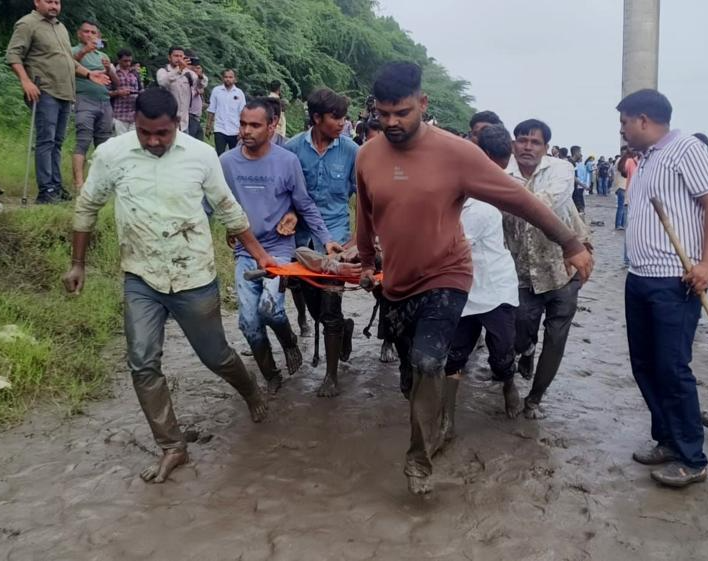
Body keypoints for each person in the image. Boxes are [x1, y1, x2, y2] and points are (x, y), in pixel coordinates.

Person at [355, 61, 593, 496]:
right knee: (412, 376)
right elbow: (366, 213)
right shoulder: (368, 155)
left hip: (447, 275)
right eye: (383, 114)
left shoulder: (457, 154)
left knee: (431, 362)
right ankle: (428, 421)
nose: (391, 122)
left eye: (402, 112)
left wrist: (570, 243)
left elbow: (521, 202)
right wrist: (368, 261)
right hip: (397, 281)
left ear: (423, 105)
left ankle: (418, 458)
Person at [63, 87, 271, 484]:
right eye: (145, 133)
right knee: (142, 361)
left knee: (216, 356)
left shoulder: (201, 154)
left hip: (193, 276)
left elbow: (227, 207)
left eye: (162, 133)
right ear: (135, 124)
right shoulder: (112, 154)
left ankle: (251, 392)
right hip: (141, 276)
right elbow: (87, 205)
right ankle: (172, 446)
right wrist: (78, 264)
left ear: (177, 123)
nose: (154, 141)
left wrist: (259, 254)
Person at [618, 89, 708, 488]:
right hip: (641, 276)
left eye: (624, 122)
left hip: (674, 279)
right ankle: (666, 438)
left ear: (644, 119)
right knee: (644, 364)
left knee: (672, 368)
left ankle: (691, 457)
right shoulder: (646, 159)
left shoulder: (686, 149)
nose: (622, 130)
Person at [221, 99, 341, 395]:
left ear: (273, 126)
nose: (246, 131)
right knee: (248, 322)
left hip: (278, 249)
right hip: (246, 251)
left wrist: (326, 239)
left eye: (255, 125)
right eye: (243, 124)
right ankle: (270, 373)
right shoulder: (226, 163)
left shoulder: (286, 162)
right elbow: (215, 205)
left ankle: (288, 341)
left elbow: (304, 204)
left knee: (270, 308)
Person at [504, 119, 591, 419]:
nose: (528, 146)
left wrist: (509, 198)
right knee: (520, 332)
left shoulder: (561, 170)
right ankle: (526, 352)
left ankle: (535, 399)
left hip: (563, 269)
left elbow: (548, 203)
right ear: (514, 143)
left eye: (535, 141)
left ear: (546, 147)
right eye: (522, 140)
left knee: (556, 338)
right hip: (522, 274)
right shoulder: (502, 171)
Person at [284, 88, 360, 397]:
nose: (343, 123)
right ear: (317, 118)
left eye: (344, 117)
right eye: (336, 117)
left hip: (337, 240)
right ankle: (344, 329)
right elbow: (286, 193)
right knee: (313, 304)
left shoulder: (352, 151)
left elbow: (362, 199)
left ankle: (331, 376)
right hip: (302, 242)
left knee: (329, 305)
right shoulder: (291, 150)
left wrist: (357, 239)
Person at [442, 124, 522, 419]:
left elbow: (450, 247)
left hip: (494, 287)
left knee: (501, 350)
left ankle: (508, 384)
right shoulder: (453, 195)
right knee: (455, 354)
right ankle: (447, 416)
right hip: (464, 287)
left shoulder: (481, 206)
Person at [6, 0, 110, 204]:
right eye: (49, 1)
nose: (54, 5)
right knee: (46, 140)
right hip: (44, 90)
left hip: (65, 91)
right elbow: (13, 55)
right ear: (37, 2)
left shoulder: (60, 27)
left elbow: (67, 59)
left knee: (57, 142)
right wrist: (25, 81)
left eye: (57, 2)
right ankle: (46, 190)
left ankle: (55, 184)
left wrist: (89, 74)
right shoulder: (27, 23)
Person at [70, 21, 118, 190]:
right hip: (84, 100)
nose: (90, 35)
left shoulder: (102, 56)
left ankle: (101, 182)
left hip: (104, 101)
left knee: (104, 144)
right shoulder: (73, 51)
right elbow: (68, 66)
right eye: (86, 32)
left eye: (93, 32)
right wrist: (85, 51)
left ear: (98, 36)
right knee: (83, 140)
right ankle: (78, 183)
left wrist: (109, 69)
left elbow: (115, 83)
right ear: (79, 34)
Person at [156, 46, 198, 133]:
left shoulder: (188, 73)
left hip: (184, 122)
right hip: (167, 120)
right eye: (176, 56)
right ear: (169, 57)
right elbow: (163, 82)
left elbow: (200, 85)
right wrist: (178, 70)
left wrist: (201, 77)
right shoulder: (163, 71)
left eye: (181, 56)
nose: (178, 59)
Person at [207, 69, 247, 155]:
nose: (228, 79)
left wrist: (242, 130)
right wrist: (208, 127)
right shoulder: (216, 91)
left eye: (230, 77)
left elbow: (243, 113)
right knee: (219, 155)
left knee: (235, 155)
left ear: (235, 79)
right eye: (226, 77)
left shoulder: (239, 93)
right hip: (220, 129)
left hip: (235, 130)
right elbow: (211, 110)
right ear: (222, 78)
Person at [110, 49, 140, 136]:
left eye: (130, 61)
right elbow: (105, 92)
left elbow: (140, 89)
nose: (128, 63)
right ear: (119, 60)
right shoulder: (113, 73)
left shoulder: (135, 73)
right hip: (119, 114)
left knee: (132, 141)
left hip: (134, 114)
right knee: (120, 141)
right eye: (125, 61)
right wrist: (118, 93)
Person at [185, 52, 208, 141]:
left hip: (197, 116)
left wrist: (200, 76)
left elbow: (204, 83)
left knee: (198, 140)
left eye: (198, 67)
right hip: (189, 115)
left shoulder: (199, 78)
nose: (195, 68)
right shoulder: (185, 75)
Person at [572, 146, 588, 213]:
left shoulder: (575, 163)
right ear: (576, 153)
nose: (580, 154)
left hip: (576, 188)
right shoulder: (571, 163)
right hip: (573, 189)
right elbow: (573, 177)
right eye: (580, 152)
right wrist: (583, 185)